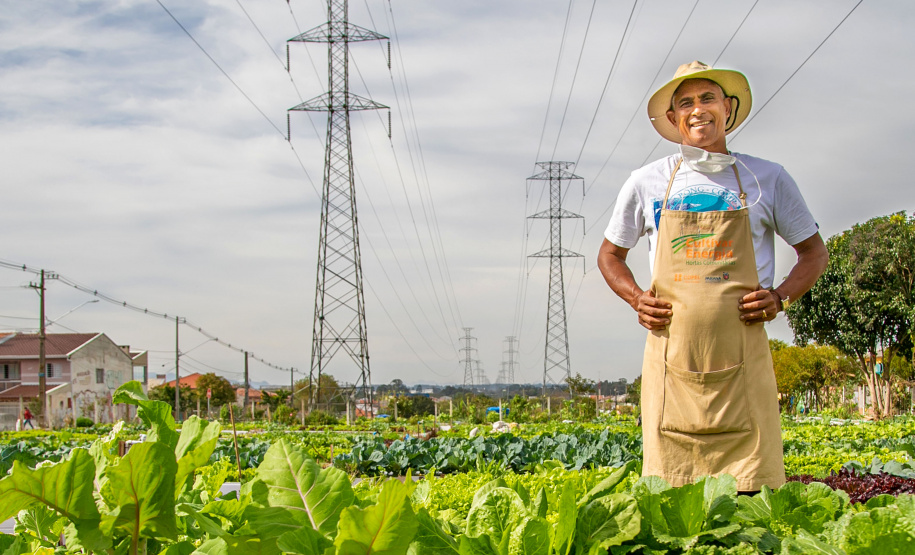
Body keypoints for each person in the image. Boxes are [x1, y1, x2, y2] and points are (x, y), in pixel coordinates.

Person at [597, 61, 828, 491]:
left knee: (752, 492)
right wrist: (635, 297)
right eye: (685, 102)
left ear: (728, 108)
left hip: (744, 355)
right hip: (671, 358)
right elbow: (610, 255)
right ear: (672, 118)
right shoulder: (648, 181)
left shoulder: (767, 178)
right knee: (672, 493)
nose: (697, 109)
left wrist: (780, 298)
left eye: (708, 98)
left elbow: (813, 254)